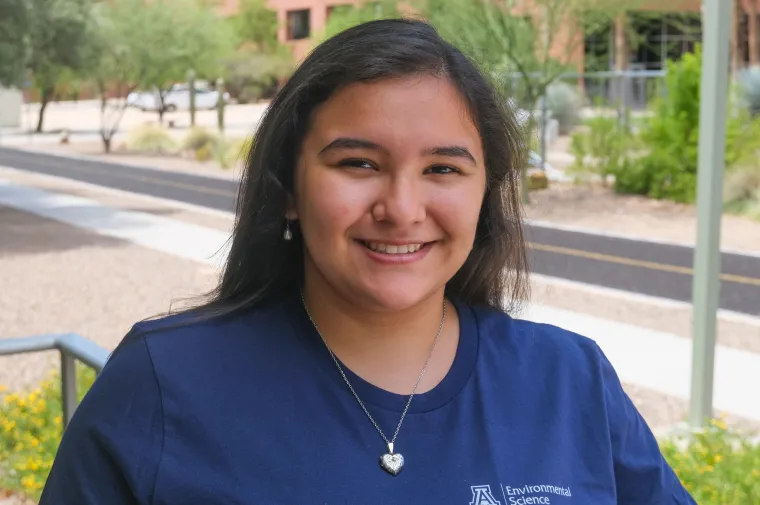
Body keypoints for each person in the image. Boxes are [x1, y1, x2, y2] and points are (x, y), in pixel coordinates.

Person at [39, 18, 696, 505]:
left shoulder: (569, 379)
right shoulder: (162, 386)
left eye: (443, 167)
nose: (402, 207)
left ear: (484, 196)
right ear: (288, 189)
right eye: (358, 163)